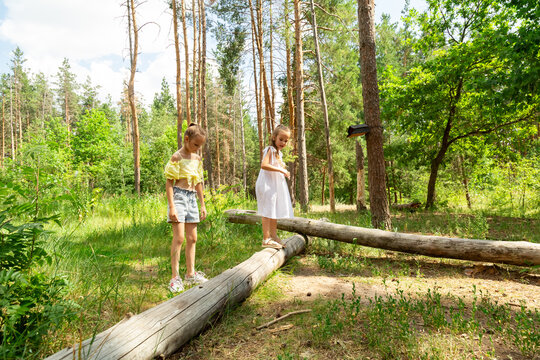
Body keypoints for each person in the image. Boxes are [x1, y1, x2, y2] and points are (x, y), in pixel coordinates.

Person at [164, 123, 209, 293]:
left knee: (193, 238)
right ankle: (175, 278)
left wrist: (202, 204)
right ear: (187, 139)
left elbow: (198, 183)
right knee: (179, 238)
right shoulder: (177, 157)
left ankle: (190, 274)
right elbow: (169, 183)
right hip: (179, 197)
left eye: (200, 146)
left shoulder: (197, 159)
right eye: (196, 145)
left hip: (192, 200)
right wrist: (172, 207)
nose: (198, 149)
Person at [255, 124, 294, 249]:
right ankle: (266, 239)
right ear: (274, 137)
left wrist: (284, 170)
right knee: (267, 210)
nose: (283, 142)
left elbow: (276, 166)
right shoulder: (270, 150)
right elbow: (264, 165)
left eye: (286, 141)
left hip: (273, 186)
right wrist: (281, 170)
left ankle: (273, 235)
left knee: (273, 210)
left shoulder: (278, 153)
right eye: (281, 139)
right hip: (267, 185)